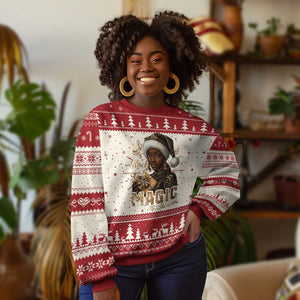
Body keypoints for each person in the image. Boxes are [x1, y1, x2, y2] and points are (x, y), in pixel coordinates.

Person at [71, 11, 240, 300]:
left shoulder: (193, 128)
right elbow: (86, 201)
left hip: (180, 258)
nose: (145, 67)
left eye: (156, 58)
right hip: (115, 261)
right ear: (122, 67)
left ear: (173, 64)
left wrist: (198, 210)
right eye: (135, 60)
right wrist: (98, 278)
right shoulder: (101, 121)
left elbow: (227, 173)